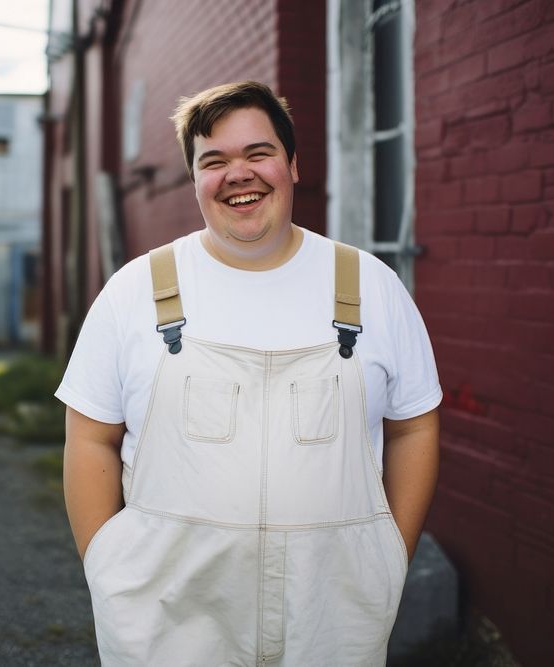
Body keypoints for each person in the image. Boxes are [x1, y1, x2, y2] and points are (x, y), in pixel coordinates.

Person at [56, 80, 441, 666]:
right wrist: (107, 565)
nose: (238, 174)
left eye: (257, 154)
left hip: (330, 617)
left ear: (291, 164)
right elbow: (90, 438)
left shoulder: (370, 286)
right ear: (195, 180)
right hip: (167, 620)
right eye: (214, 161)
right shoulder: (134, 290)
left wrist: (391, 553)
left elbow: (414, 426)